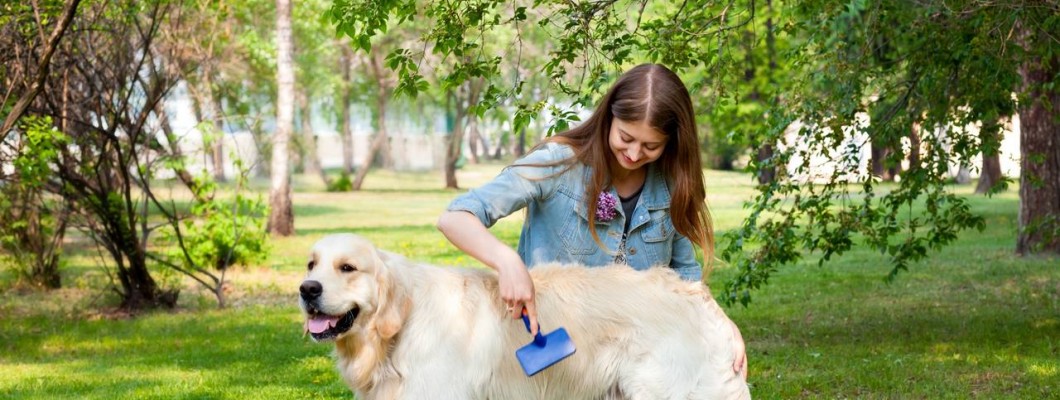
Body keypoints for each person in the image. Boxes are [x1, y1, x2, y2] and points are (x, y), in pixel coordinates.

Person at [436, 63, 747, 379]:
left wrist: (721, 324)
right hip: (560, 360)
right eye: (626, 137)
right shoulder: (557, 164)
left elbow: (686, 280)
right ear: (610, 116)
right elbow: (455, 218)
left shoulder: (670, 185)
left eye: (651, 145)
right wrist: (507, 262)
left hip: (636, 358)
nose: (635, 153)